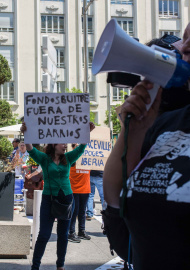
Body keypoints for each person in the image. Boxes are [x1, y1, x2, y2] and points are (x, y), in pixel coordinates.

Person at [103, 23, 190, 269]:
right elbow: (115, 197)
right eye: (184, 39)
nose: (183, 46)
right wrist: (134, 132)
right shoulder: (167, 125)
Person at [21, 121, 95, 270]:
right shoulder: (45, 159)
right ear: (54, 145)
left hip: (67, 199)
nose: (65, 145)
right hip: (49, 199)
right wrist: (26, 133)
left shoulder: (68, 158)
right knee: (44, 234)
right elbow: (30, 149)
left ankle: (60, 265)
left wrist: (87, 132)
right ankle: (35, 266)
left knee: (63, 235)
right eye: (62, 143)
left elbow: (81, 148)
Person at [68, 143, 91, 243]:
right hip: (74, 189)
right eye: (75, 145)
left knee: (82, 211)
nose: (77, 146)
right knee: (74, 211)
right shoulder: (71, 158)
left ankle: (81, 231)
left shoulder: (89, 158)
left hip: (85, 188)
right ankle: (71, 232)